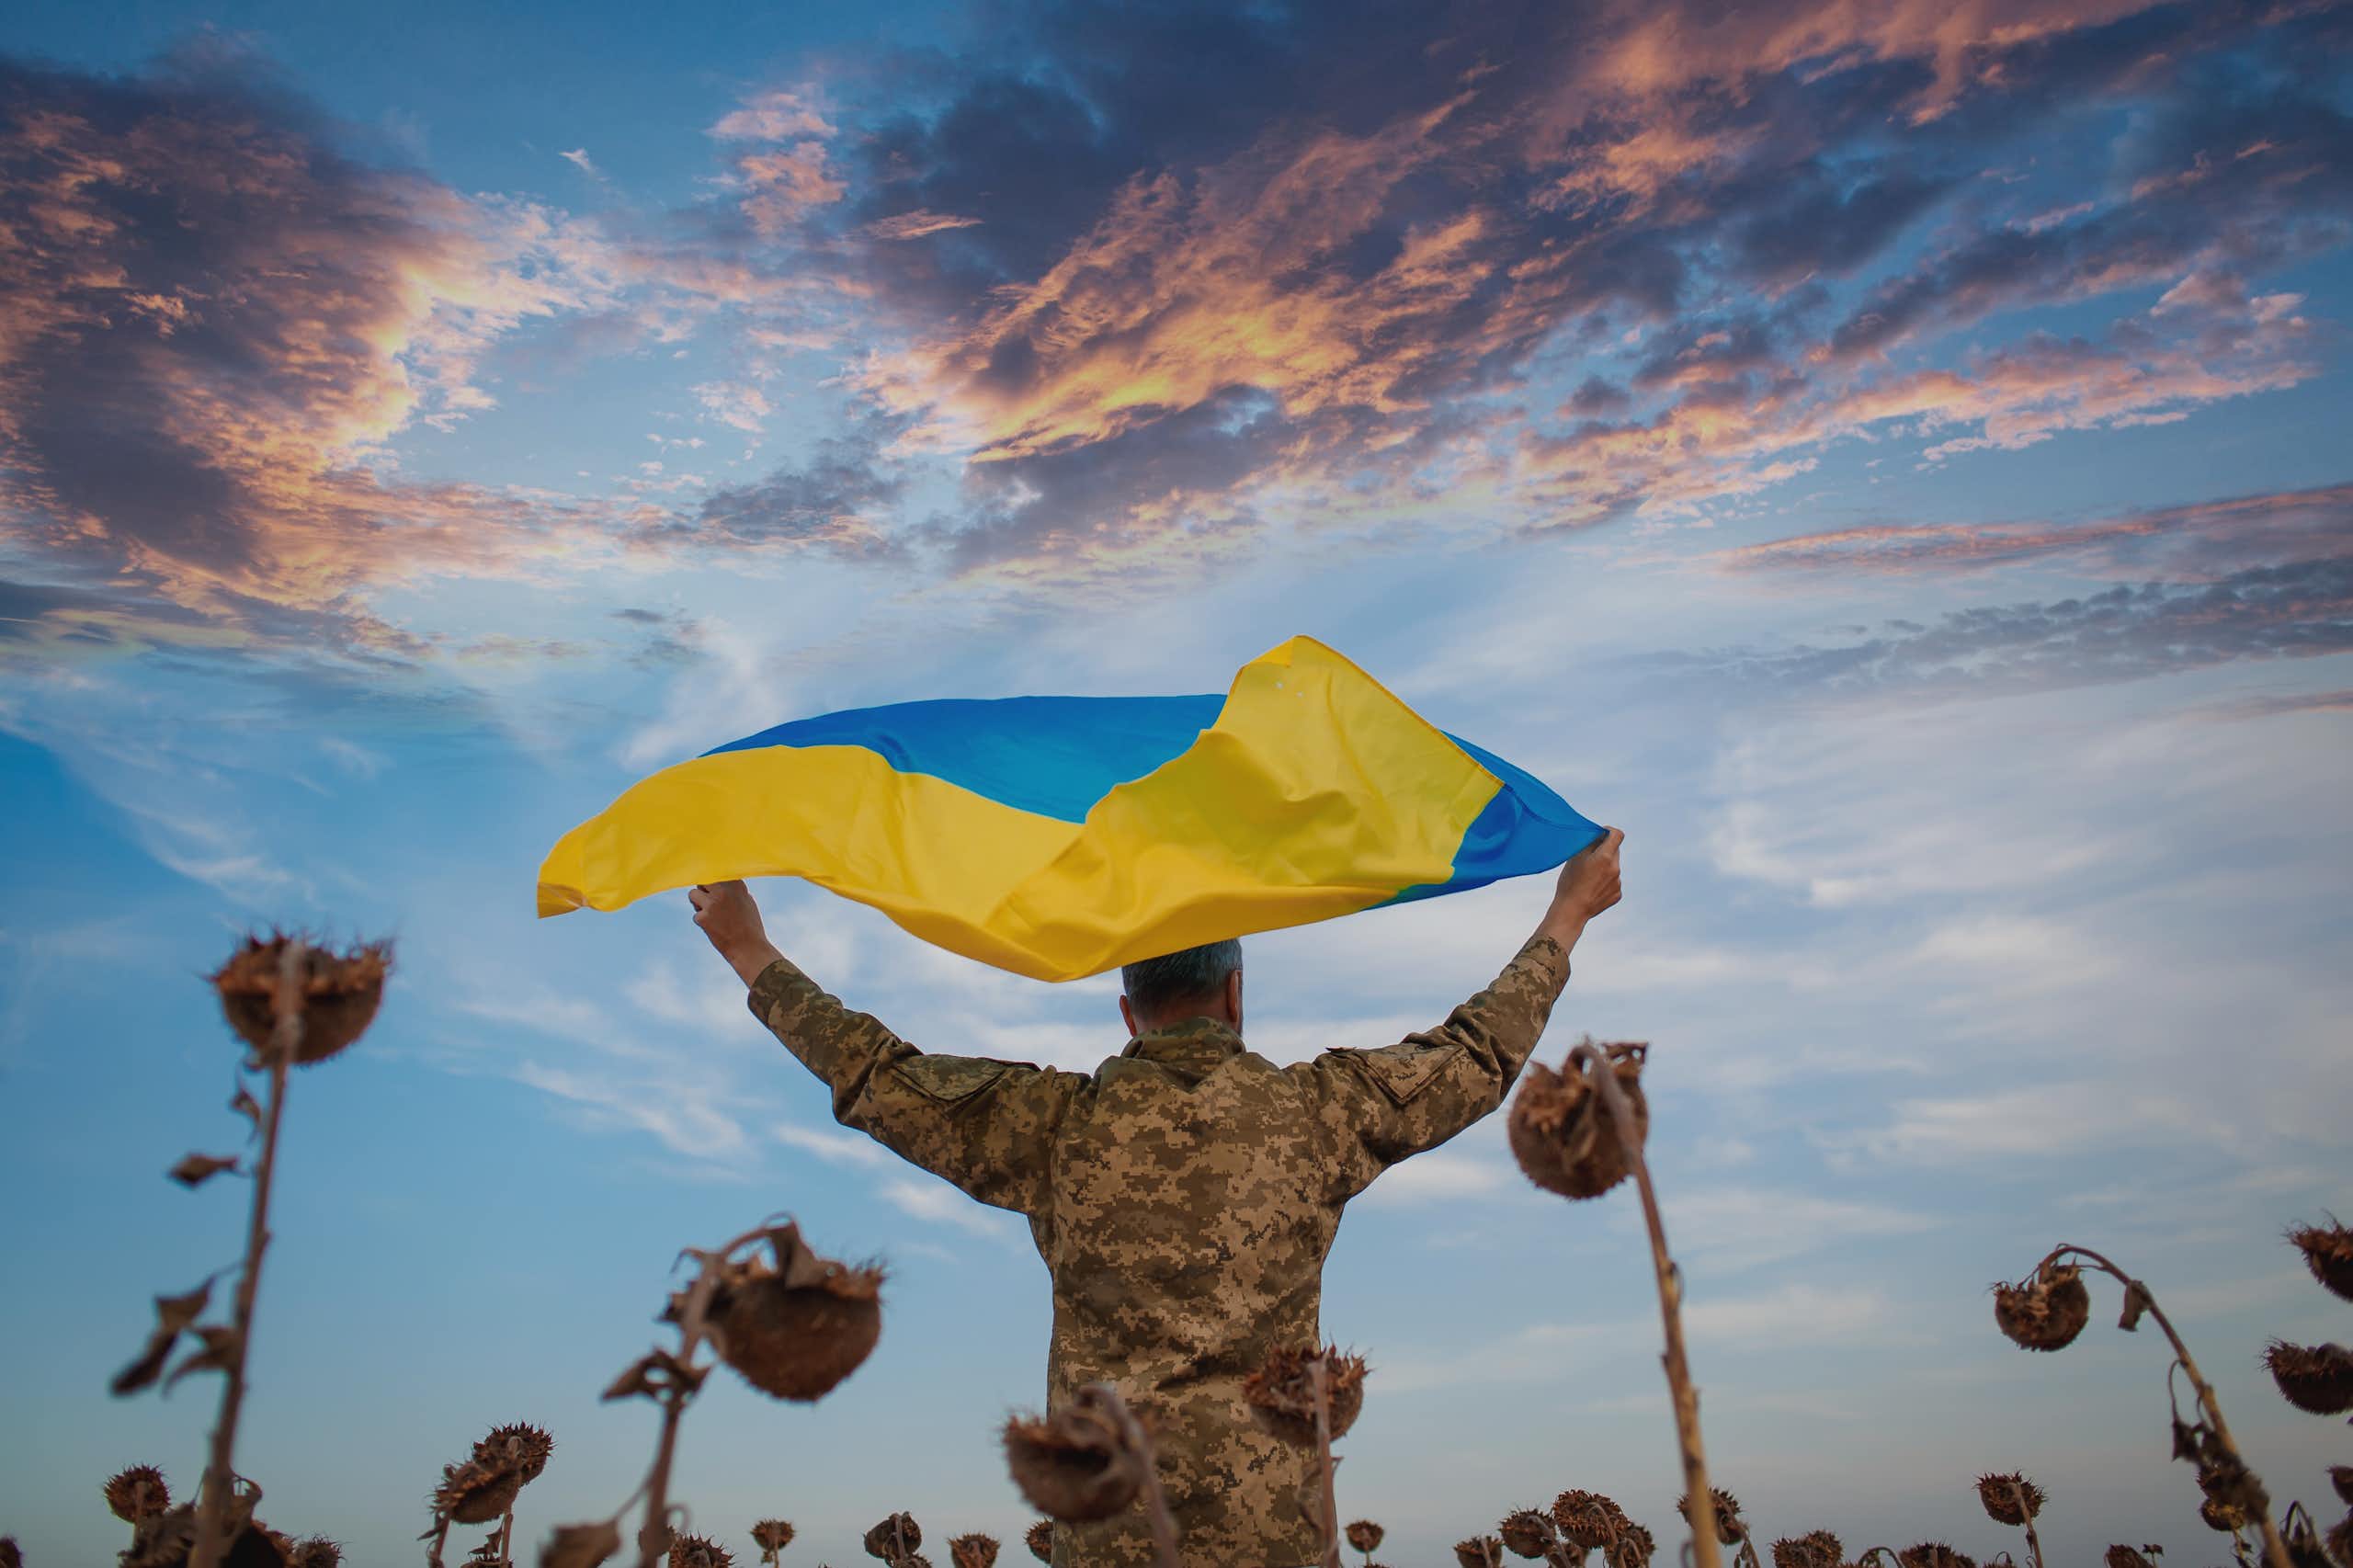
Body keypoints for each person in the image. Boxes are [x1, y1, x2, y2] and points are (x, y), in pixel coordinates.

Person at [689, 826, 1624, 1567]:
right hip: (1278, 1538)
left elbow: (875, 1072)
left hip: (1106, 1529)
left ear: (1128, 1010)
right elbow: (1476, 1052)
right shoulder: (1318, 1115)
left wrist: (749, 948)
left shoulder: (1053, 1127)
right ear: (1236, 994)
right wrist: (1566, 914)